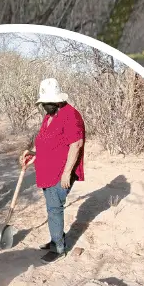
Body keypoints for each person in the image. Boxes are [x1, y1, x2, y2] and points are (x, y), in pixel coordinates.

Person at [19, 78, 86, 262]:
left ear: (58, 100)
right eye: (44, 103)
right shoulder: (49, 116)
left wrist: (67, 172)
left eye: (49, 103)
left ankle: (58, 248)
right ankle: (56, 239)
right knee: (51, 207)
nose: (45, 106)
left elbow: (76, 144)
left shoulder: (70, 115)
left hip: (62, 172)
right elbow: (47, 144)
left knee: (55, 208)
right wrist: (33, 154)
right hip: (48, 170)